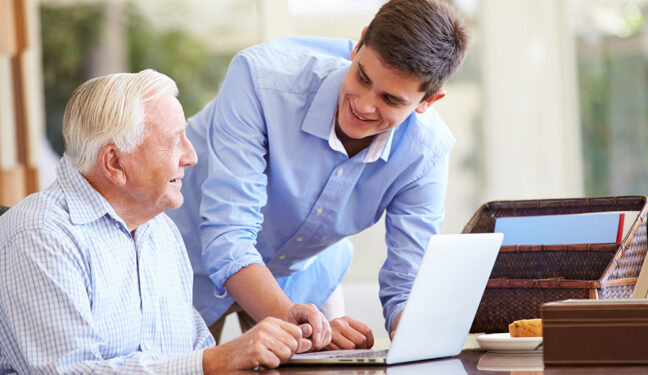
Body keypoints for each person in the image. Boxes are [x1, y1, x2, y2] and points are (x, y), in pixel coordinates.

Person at [167, 0, 468, 349]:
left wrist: (417, 337)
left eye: (390, 99)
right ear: (359, 44)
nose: (364, 105)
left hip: (303, 278)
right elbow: (228, 237)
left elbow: (407, 284)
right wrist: (302, 326)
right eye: (362, 77)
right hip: (189, 264)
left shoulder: (425, 153)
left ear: (427, 102)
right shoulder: (261, 80)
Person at [0, 70, 331, 374]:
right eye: (174, 141)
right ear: (114, 162)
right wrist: (217, 360)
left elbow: (193, 350)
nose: (191, 156)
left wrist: (291, 343)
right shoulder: (39, 236)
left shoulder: (160, 232)